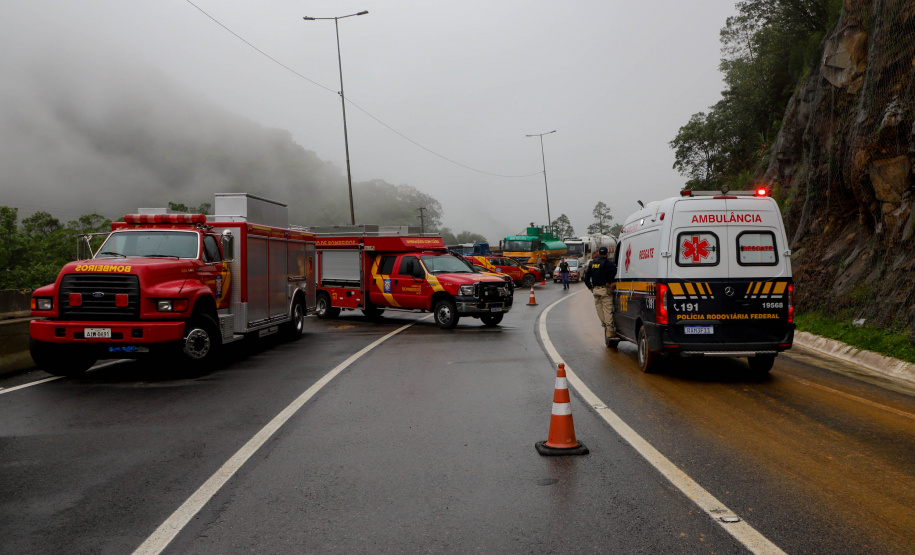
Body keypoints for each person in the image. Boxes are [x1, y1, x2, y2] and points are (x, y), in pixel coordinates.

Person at [583, 246, 618, 347]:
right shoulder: (609, 264)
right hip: (605, 290)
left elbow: (586, 278)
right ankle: (610, 332)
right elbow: (614, 274)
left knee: (599, 309)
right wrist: (610, 282)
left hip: (596, 290)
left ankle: (604, 324)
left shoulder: (592, 263)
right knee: (608, 310)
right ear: (607, 254)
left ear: (598, 253)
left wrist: (590, 288)